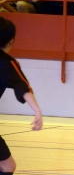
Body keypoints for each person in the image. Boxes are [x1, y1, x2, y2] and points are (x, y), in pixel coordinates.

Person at [0, 17, 43, 174]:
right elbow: (23, 87)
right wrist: (37, 110)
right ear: (11, 41)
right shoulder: (7, 63)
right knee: (7, 166)